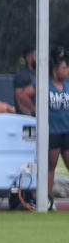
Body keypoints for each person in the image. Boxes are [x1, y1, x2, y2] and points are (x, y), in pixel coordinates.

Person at [48, 53, 69, 207]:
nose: (66, 70)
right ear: (55, 70)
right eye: (63, 68)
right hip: (53, 131)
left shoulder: (67, 85)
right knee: (51, 166)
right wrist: (34, 110)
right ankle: (48, 200)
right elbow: (24, 94)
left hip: (66, 131)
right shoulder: (46, 85)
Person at [13, 46, 38, 116]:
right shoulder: (22, 75)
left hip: (39, 116)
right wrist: (34, 111)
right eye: (35, 55)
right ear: (28, 58)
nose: (38, 58)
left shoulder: (40, 74)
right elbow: (19, 98)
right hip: (27, 116)